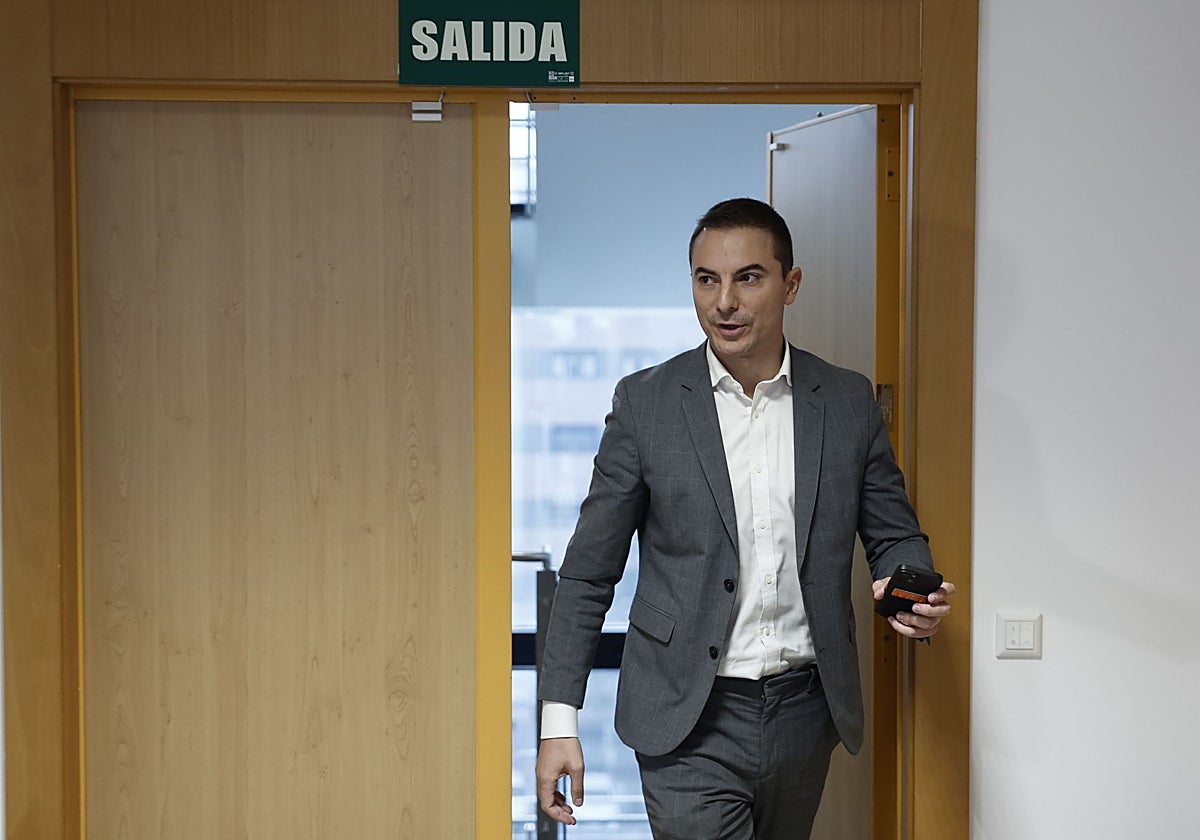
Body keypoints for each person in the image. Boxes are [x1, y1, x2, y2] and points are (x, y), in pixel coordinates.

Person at [534, 198, 955, 840]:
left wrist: (909, 587)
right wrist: (558, 722)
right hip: (686, 715)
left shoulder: (845, 401)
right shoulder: (645, 404)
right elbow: (589, 574)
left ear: (790, 285)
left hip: (804, 711)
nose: (723, 301)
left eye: (748, 277)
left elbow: (894, 532)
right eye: (707, 279)